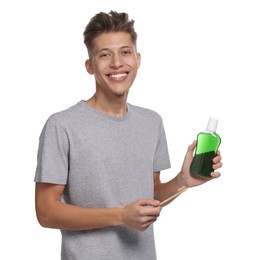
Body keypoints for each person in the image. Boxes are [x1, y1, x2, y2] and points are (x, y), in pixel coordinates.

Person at [34, 11, 222, 260]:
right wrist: (120, 216)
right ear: (90, 65)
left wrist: (181, 181)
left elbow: (149, 195)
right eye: (104, 55)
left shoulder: (151, 122)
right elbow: (46, 212)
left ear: (137, 58)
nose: (116, 63)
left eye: (125, 52)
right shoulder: (62, 125)